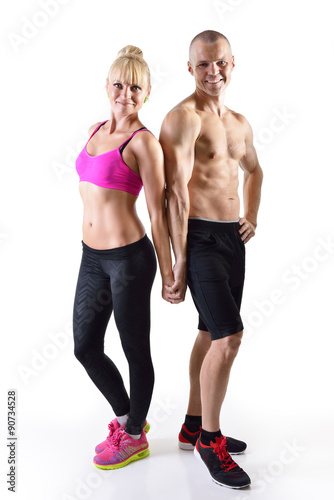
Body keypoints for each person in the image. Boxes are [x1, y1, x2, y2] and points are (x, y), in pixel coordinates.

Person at [160, 30, 263, 489]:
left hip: (230, 239)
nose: (212, 71)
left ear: (233, 62)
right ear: (190, 68)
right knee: (229, 337)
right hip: (197, 237)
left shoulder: (240, 122)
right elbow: (173, 194)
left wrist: (251, 216)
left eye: (219, 62)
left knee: (209, 332)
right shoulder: (183, 118)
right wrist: (177, 260)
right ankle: (210, 440)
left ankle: (192, 423)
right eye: (202, 64)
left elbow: (254, 170)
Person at [73, 45, 181, 470]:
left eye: (135, 87)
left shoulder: (145, 144)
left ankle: (134, 436)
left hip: (129, 260)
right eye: (119, 84)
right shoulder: (95, 129)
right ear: (107, 86)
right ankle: (129, 418)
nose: (125, 94)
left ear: (147, 92)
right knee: (85, 346)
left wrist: (170, 272)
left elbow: (159, 213)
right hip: (91, 258)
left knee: (134, 347)